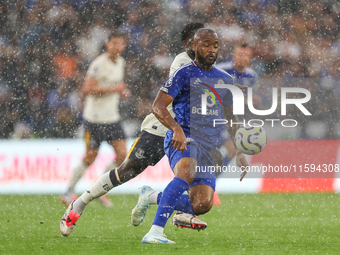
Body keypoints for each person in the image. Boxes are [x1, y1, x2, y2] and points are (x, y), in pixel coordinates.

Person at [59, 23, 207, 237]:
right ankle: (79, 203)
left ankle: (170, 207)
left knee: (196, 183)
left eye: (210, 42)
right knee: (127, 170)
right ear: (188, 44)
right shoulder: (183, 63)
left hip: (183, 130)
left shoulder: (208, 66)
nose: (207, 46)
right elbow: (179, 98)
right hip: (163, 126)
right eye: (201, 41)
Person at [139, 28, 249, 244]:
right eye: (206, 44)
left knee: (202, 204)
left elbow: (231, 119)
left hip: (209, 145)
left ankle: (151, 196)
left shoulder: (224, 79)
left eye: (215, 45)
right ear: (194, 46)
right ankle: (155, 231)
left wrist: (240, 151)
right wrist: (176, 129)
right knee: (186, 172)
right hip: (184, 137)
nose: (212, 49)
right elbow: (158, 106)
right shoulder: (183, 73)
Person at [59, 32, 131, 208]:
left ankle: (99, 189)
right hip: (95, 120)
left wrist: (122, 91)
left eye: (120, 44)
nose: (117, 47)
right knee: (90, 157)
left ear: (124, 46)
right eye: (113, 43)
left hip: (112, 118)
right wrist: (115, 89)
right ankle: (68, 191)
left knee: (123, 156)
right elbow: (86, 89)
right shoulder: (98, 64)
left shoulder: (121, 62)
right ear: (107, 45)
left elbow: (117, 86)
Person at [215, 43, 257, 168]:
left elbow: (245, 97)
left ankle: (209, 179)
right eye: (240, 54)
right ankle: (204, 179)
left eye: (246, 55)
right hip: (213, 116)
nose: (243, 58)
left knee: (233, 149)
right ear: (234, 55)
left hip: (229, 118)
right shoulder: (221, 70)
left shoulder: (251, 75)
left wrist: (250, 100)